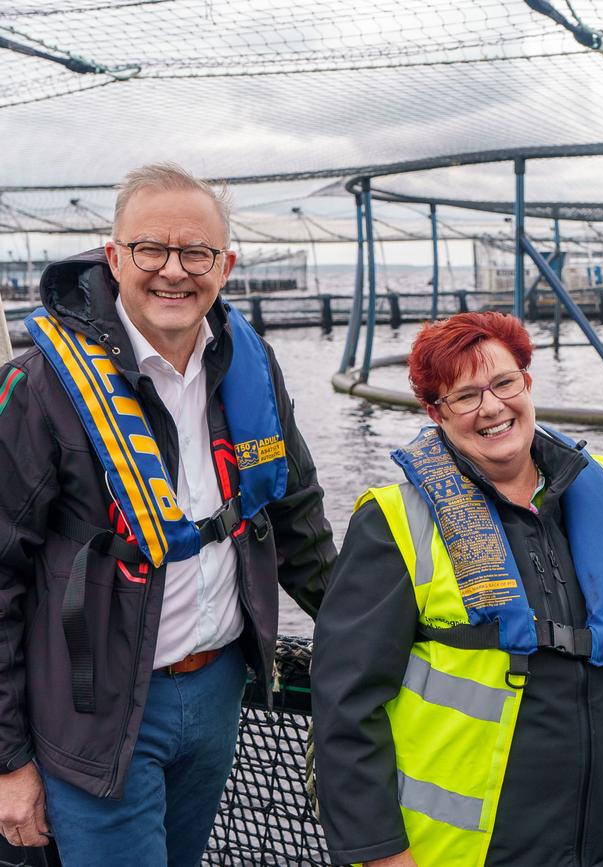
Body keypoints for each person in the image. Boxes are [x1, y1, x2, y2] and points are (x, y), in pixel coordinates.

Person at [0, 162, 336, 867]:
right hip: (94, 709)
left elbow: (298, 515)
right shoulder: (41, 387)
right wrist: (8, 760)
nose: (173, 271)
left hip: (219, 691)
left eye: (197, 253)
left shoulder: (251, 365)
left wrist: (371, 629)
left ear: (227, 264)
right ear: (115, 255)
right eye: (151, 249)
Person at [312, 311, 603, 867]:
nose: (492, 408)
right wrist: (381, 855)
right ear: (434, 412)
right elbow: (346, 706)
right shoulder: (396, 523)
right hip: (467, 853)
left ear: (527, 383)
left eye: (503, 383)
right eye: (464, 396)